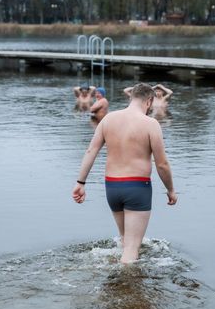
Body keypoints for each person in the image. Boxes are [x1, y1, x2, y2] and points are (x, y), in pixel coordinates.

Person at [72, 83, 177, 264]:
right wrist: (171, 190)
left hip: (112, 187)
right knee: (132, 247)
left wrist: (80, 183)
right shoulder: (151, 124)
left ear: (131, 97)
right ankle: (126, 279)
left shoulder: (108, 119)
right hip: (137, 187)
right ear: (149, 101)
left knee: (125, 240)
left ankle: (121, 275)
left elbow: (91, 151)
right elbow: (162, 164)